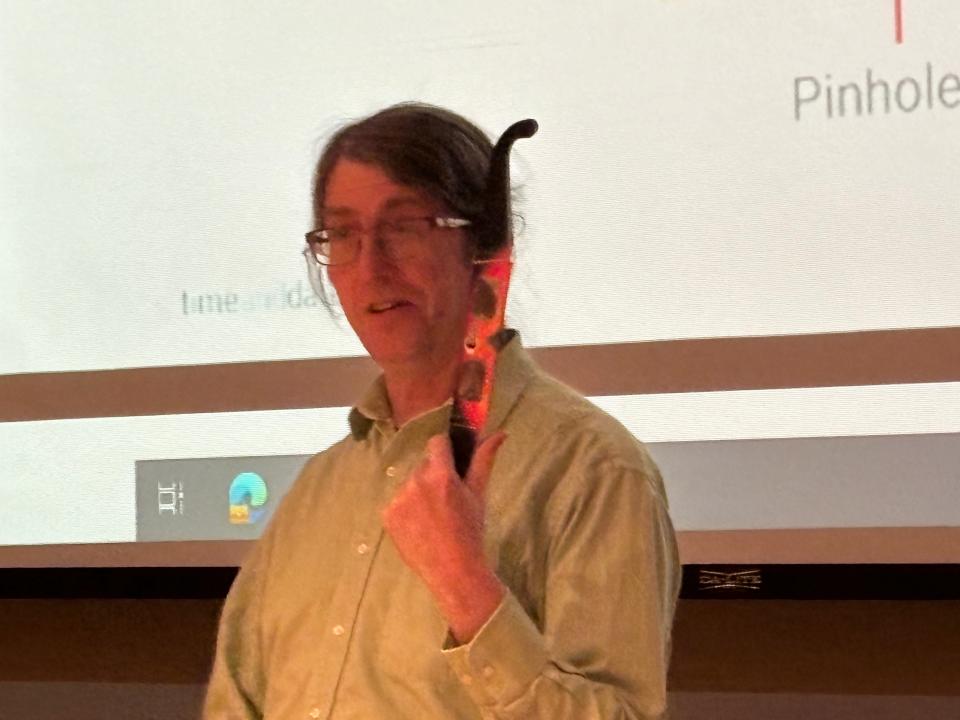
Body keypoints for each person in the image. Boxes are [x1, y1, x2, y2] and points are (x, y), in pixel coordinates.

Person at [203, 102, 681, 719]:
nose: (371, 268)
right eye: (342, 234)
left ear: (482, 247)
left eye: (404, 227)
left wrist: (468, 590)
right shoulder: (321, 487)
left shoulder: (592, 471)